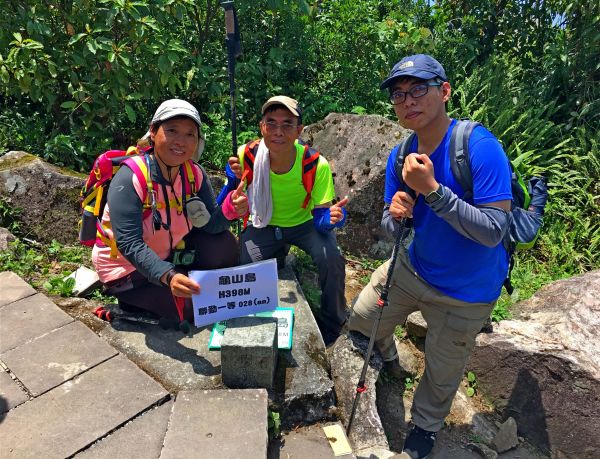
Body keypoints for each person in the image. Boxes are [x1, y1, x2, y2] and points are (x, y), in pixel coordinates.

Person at [347, 55, 512, 458]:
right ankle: (387, 354)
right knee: (361, 323)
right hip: (413, 268)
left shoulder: (478, 146)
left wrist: (433, 191)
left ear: (445, 91)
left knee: (442, 371)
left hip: (467, 290)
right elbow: (391, 226)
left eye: (419, 88)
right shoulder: (401, 154)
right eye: (399, 94)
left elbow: (493, 231)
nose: (408, 101)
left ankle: (425, 426)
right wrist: (398, 212)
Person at [92, 99, 248, 325]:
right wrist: (169, 275)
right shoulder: (131, 177)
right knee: (194, 311)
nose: (181, 141)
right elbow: (129, 244)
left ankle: (172, 285)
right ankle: (128, 303)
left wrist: (231, 209)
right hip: (127, 270)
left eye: (190, 134)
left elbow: (210, 225)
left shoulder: (194, 174)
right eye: (172, 130)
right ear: (153, 132)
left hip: (167, 253)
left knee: (225, 246)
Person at [228, 95, 348, 345]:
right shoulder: (247, 155)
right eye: (271, 123)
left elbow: (320, 218)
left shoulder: (315, 164)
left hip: (304, 226)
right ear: (262, 127)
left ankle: (333, 322)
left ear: (299, 130)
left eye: (287, 124)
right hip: (264, 223)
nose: (278, 132)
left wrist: (332, 219)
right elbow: (233, 195)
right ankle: (256, 319)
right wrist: (231, 183)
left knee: (332, 258)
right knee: (246, 263)